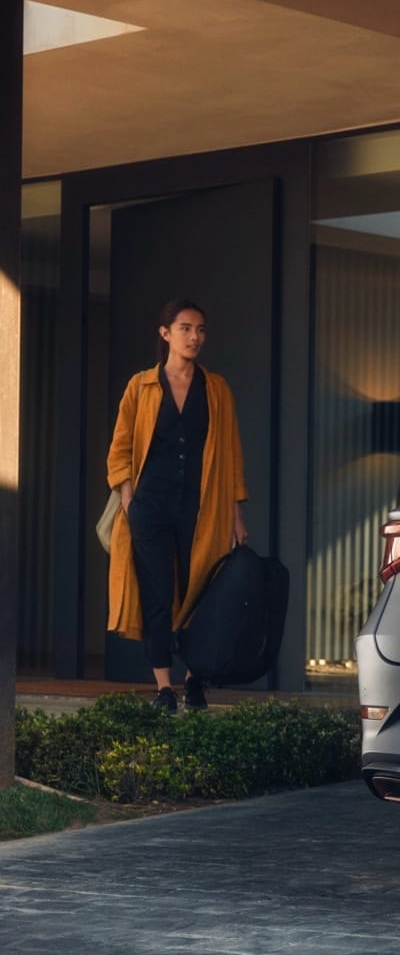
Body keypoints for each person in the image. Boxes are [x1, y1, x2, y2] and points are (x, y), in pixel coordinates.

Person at [106, 298, 248, 713]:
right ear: (165, 333)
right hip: (149, 505)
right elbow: (120, 449)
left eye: (201, 329)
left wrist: (237, 514)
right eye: (186, 328)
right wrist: (130, 500)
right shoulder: (141, 386)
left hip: (202, 506)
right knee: (156, 593)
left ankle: (195, 679)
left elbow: (232, 454)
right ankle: (164, 688)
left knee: (200, 591)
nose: (195, 337)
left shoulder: (217, 389)